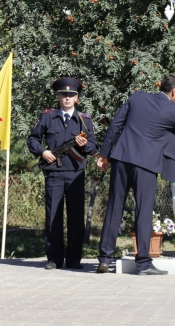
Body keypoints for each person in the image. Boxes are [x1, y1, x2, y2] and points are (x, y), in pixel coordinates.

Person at [96, 73, 175, 276]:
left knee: (114, 207)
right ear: (174, 91)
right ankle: (143, 263)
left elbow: (115, 125)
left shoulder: (137, 98)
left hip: (121, 158)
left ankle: (104, 260)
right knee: (143, 211)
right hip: (145, 165)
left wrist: (104, 155)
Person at [27, 77, 99, 270]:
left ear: (77, 98)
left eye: (71, 95)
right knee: (53, 217)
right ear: (58, 97)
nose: (67, 98)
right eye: (63, 94)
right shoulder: (48, 117)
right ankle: (54, 259)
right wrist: (44, 152)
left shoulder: (85, 120)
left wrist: (85, 146)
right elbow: (32, 139)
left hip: (76, 175)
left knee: (76, 217)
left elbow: (93, 146)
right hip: (54, 174)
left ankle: (74, 259)